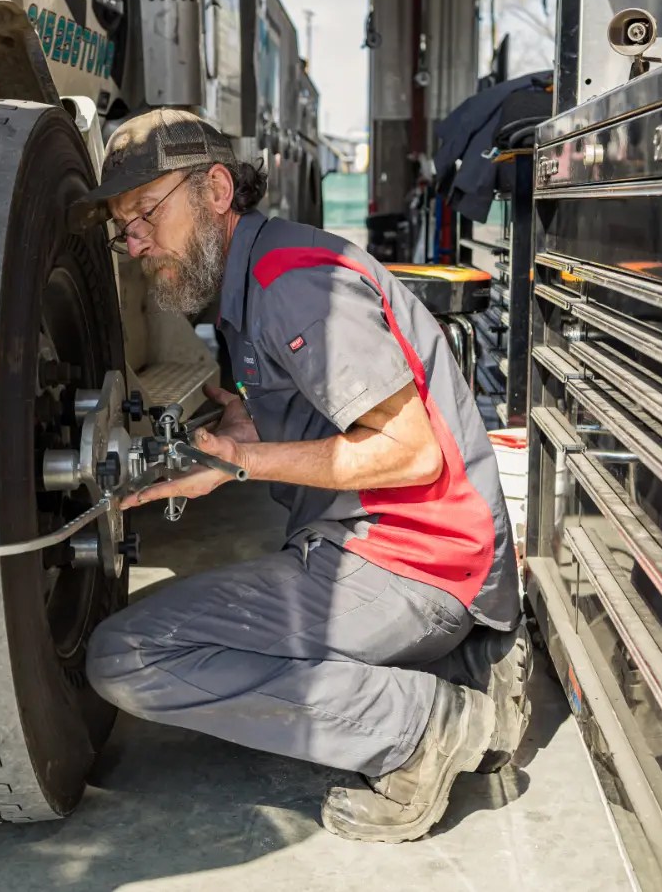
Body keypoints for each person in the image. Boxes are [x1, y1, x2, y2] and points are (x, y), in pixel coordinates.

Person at [73, 109, 529, 843]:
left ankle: (421, 726)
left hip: (417, 564)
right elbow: (325, 420)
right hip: (396, 557)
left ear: (216, 189)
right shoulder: (251, 286)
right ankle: (460, 661)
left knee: (128, 655)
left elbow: (410, 452)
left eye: (147, 214)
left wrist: (237, 462)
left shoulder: (294, 284)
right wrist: (244, 429)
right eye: (125, 229)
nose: (136, 244)